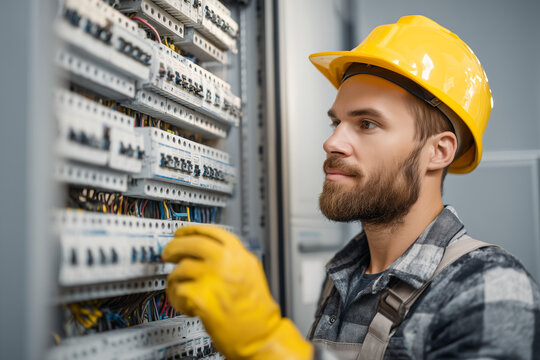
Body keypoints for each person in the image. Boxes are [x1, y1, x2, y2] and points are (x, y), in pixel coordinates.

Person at [162, 15, 540, 359]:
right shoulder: (344, 277)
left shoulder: (489, 287)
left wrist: (266, 344)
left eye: (367, 124)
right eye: (336, 122)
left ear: (438, 152)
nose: (333, 142)